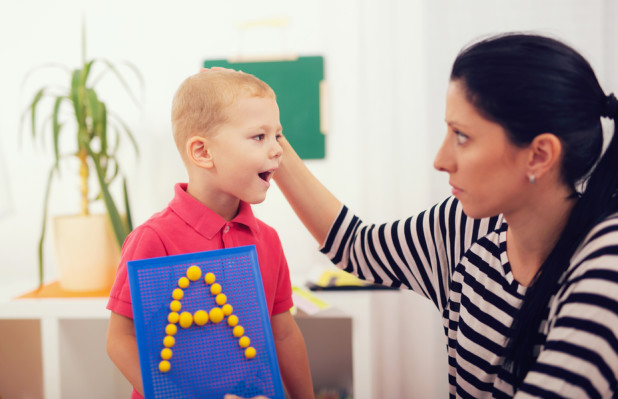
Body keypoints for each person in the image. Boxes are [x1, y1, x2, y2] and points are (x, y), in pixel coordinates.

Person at [272, 32, 618, 398]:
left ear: (539, 155)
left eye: (462, 136)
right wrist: (270, 139)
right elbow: (357, 247)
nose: (440, 160)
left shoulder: (605, 264)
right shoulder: (469, 226)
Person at [105, 69, 314, 399]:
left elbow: (283, 333)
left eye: (278, 136)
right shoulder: (152, 239)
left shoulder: (268, 240)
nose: (277, 150)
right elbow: (120, 340)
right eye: (259, 137)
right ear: (202, 152)